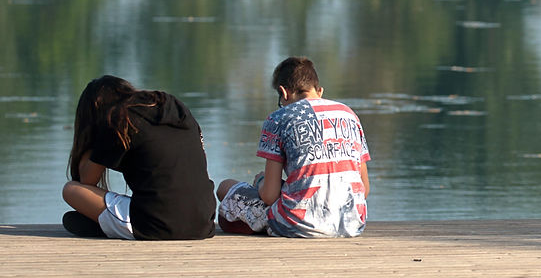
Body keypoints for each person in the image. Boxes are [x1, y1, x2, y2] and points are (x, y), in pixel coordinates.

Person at [217, 56, 371, 238]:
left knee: (225, 188)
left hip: (299, 223)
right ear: (319, 91)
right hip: (351, 222)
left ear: (284, 92)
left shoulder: (278, 118)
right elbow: (364, 188)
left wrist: (260, 182)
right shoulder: (349, 114)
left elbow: (269, 196)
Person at [61, 75, 217, 240]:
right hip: (203, 223)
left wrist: (91, 133)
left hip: (155, 225)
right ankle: (110, 225)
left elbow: (87, 180)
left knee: (71, 190)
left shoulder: (119, 118)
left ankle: (109, 226)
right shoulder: (176, 109)